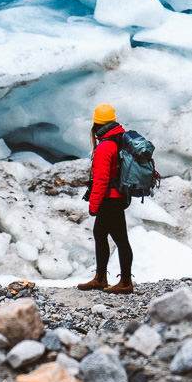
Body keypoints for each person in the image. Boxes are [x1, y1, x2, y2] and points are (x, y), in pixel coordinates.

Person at [77, 103, 134, 294]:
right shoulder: (119, 139)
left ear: (96, 123)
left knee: (119, 239)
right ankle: (101, 278)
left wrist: (93, 205)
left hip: (110, 200)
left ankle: (124, 282)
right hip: (119, 197)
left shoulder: (105, 147)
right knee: (101, 234)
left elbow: (101, 180)